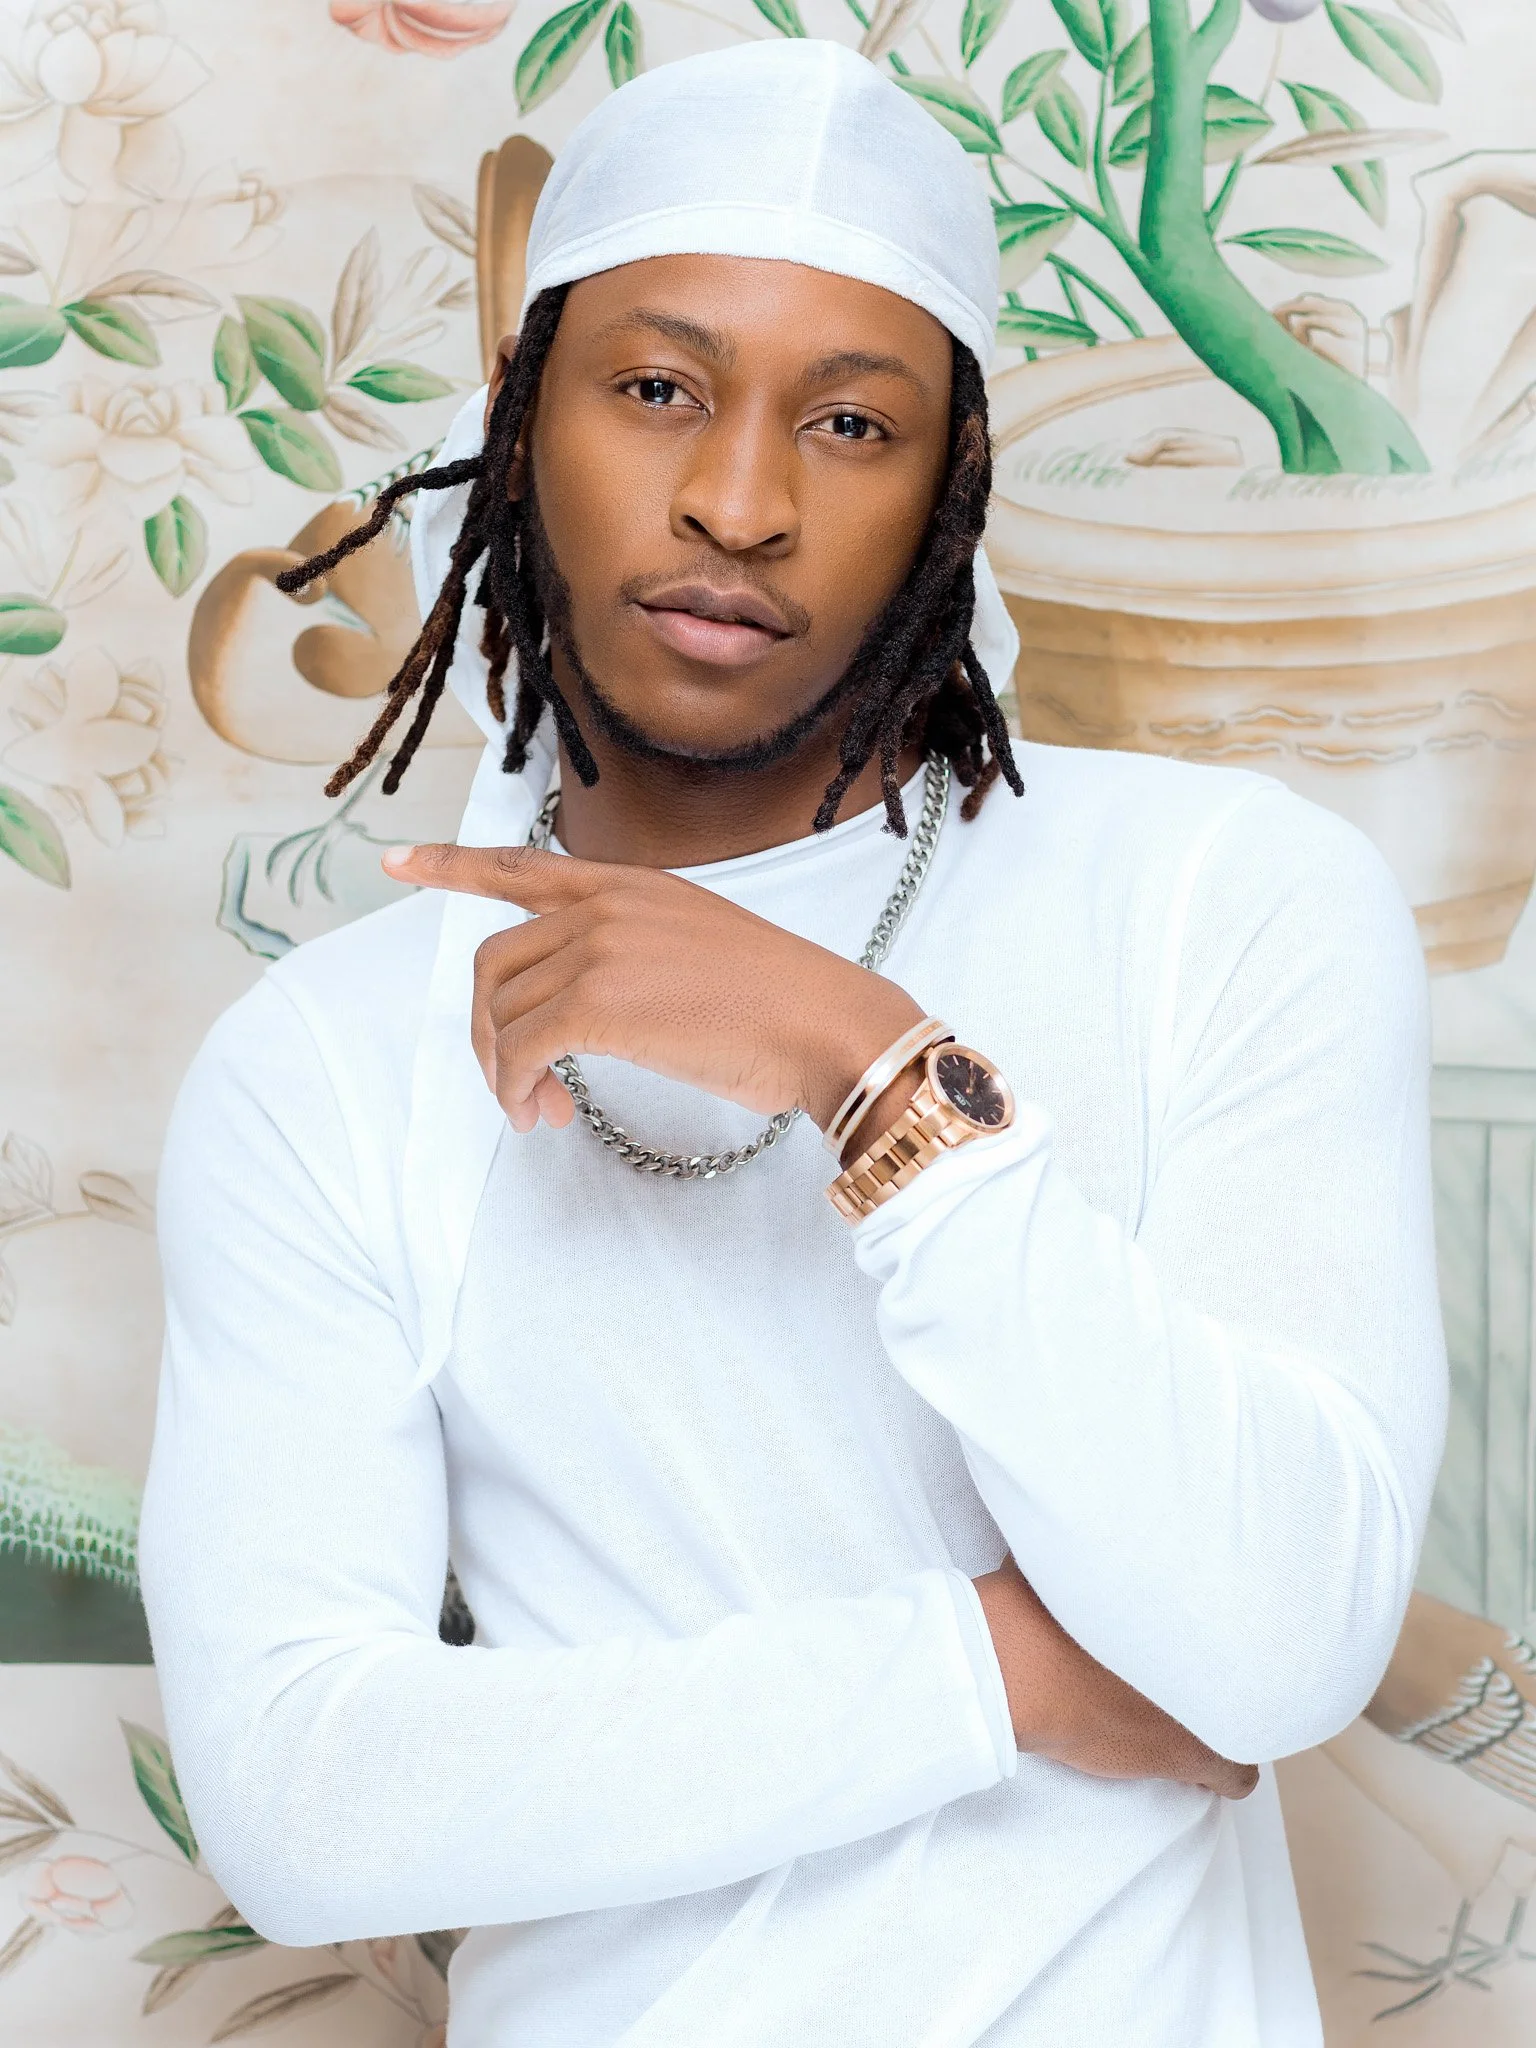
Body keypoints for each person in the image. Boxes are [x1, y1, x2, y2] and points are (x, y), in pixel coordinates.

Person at [138, 38, 1448, 2048]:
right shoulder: (321, 1064)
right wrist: (996, 1669)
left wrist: (866, 1065)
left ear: (953, 489)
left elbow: (1273, 1648)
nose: (738, 501)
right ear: (521, 419)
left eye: (851, 422)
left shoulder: (1229, 900)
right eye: (657, 386)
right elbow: (309, 1796)